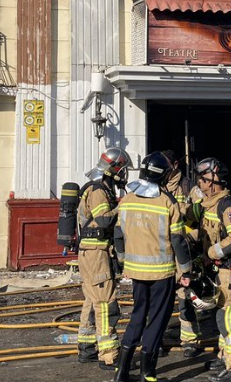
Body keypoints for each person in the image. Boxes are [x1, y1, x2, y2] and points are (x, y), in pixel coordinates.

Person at [113, 151, 193, 382]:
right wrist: (186, 270)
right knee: (157, 320)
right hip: (162, 273)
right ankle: (148, 374)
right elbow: (178, 240)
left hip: (136, 272)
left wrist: (122, 260)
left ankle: (122, 372)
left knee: (137, 316)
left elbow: (118, 234)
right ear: (163, 175)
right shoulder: (167, 202)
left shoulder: (127, 199)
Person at [194, 158, 231, 382]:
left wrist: (212, 253)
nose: (199, 181)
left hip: (227, 271)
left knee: (229, 321)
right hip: (215, 272)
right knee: (220, 318)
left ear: (213, 180)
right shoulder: (210, 204)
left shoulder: (227, 205)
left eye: (202, 178)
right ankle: (224, 356)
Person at [76, 147, 130, 369]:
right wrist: (122, 207)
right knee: (106, 302)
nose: (124, 174)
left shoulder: (100, 186)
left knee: (92, 300)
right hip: (96, 254)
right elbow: (104, 220)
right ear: (114, 169)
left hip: (91, 252)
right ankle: (108, 355)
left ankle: (87, 347)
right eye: (122, 169)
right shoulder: (98, 190)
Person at [160, 150, 201, 357]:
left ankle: (190, 341)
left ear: (175, 165)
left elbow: (202, 213)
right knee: (159, 299)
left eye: (165, 164)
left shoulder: (189, 187)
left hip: (184, 252)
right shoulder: (156, 188)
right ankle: (157, 339)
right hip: (162, 253)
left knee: (186, 298)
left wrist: (191, 238)